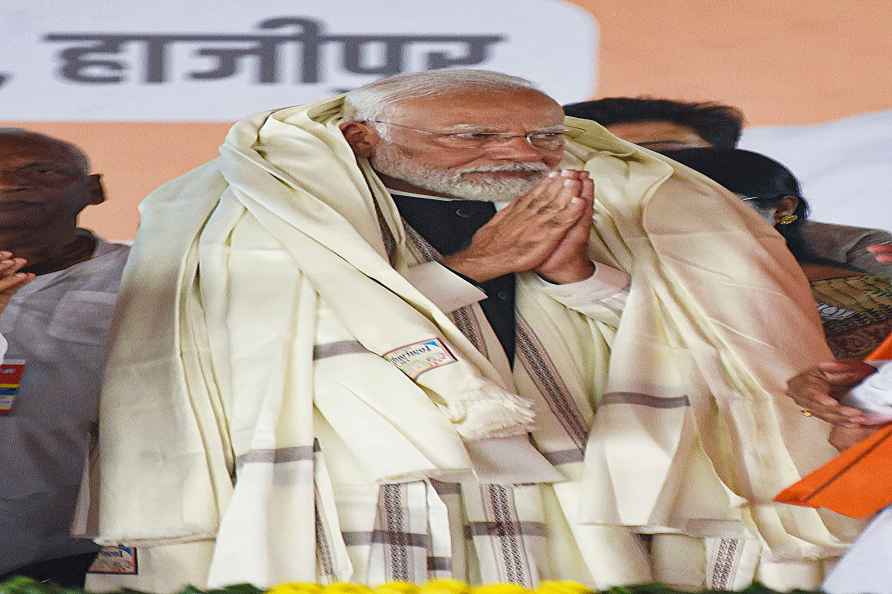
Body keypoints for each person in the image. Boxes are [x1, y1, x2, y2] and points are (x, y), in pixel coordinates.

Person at [87, 70, 855, 593]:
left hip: (569, 485)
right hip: (358, 490)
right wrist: (473, 268)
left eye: (543, 138)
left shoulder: (612, 199)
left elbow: (695, 345)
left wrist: (576, 277)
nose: (519, 155)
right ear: (361, 139)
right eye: (473, 137)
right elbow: (259, 357)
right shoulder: (253, 217)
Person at [0, 129, 130, 586]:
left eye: (39, 171)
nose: (9, 185)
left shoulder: (152, 274)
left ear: (92, 190)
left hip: (87, 547)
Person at [564, 97, 892, 277]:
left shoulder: (852, 250)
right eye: (611, 161)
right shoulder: (541, 257)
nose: (650, 172)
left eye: (678, 157)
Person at [663, 148, 892, 360]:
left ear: (782, 210)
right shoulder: (655, 294)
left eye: (700, 205)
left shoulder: (862, 297)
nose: (673, 223)